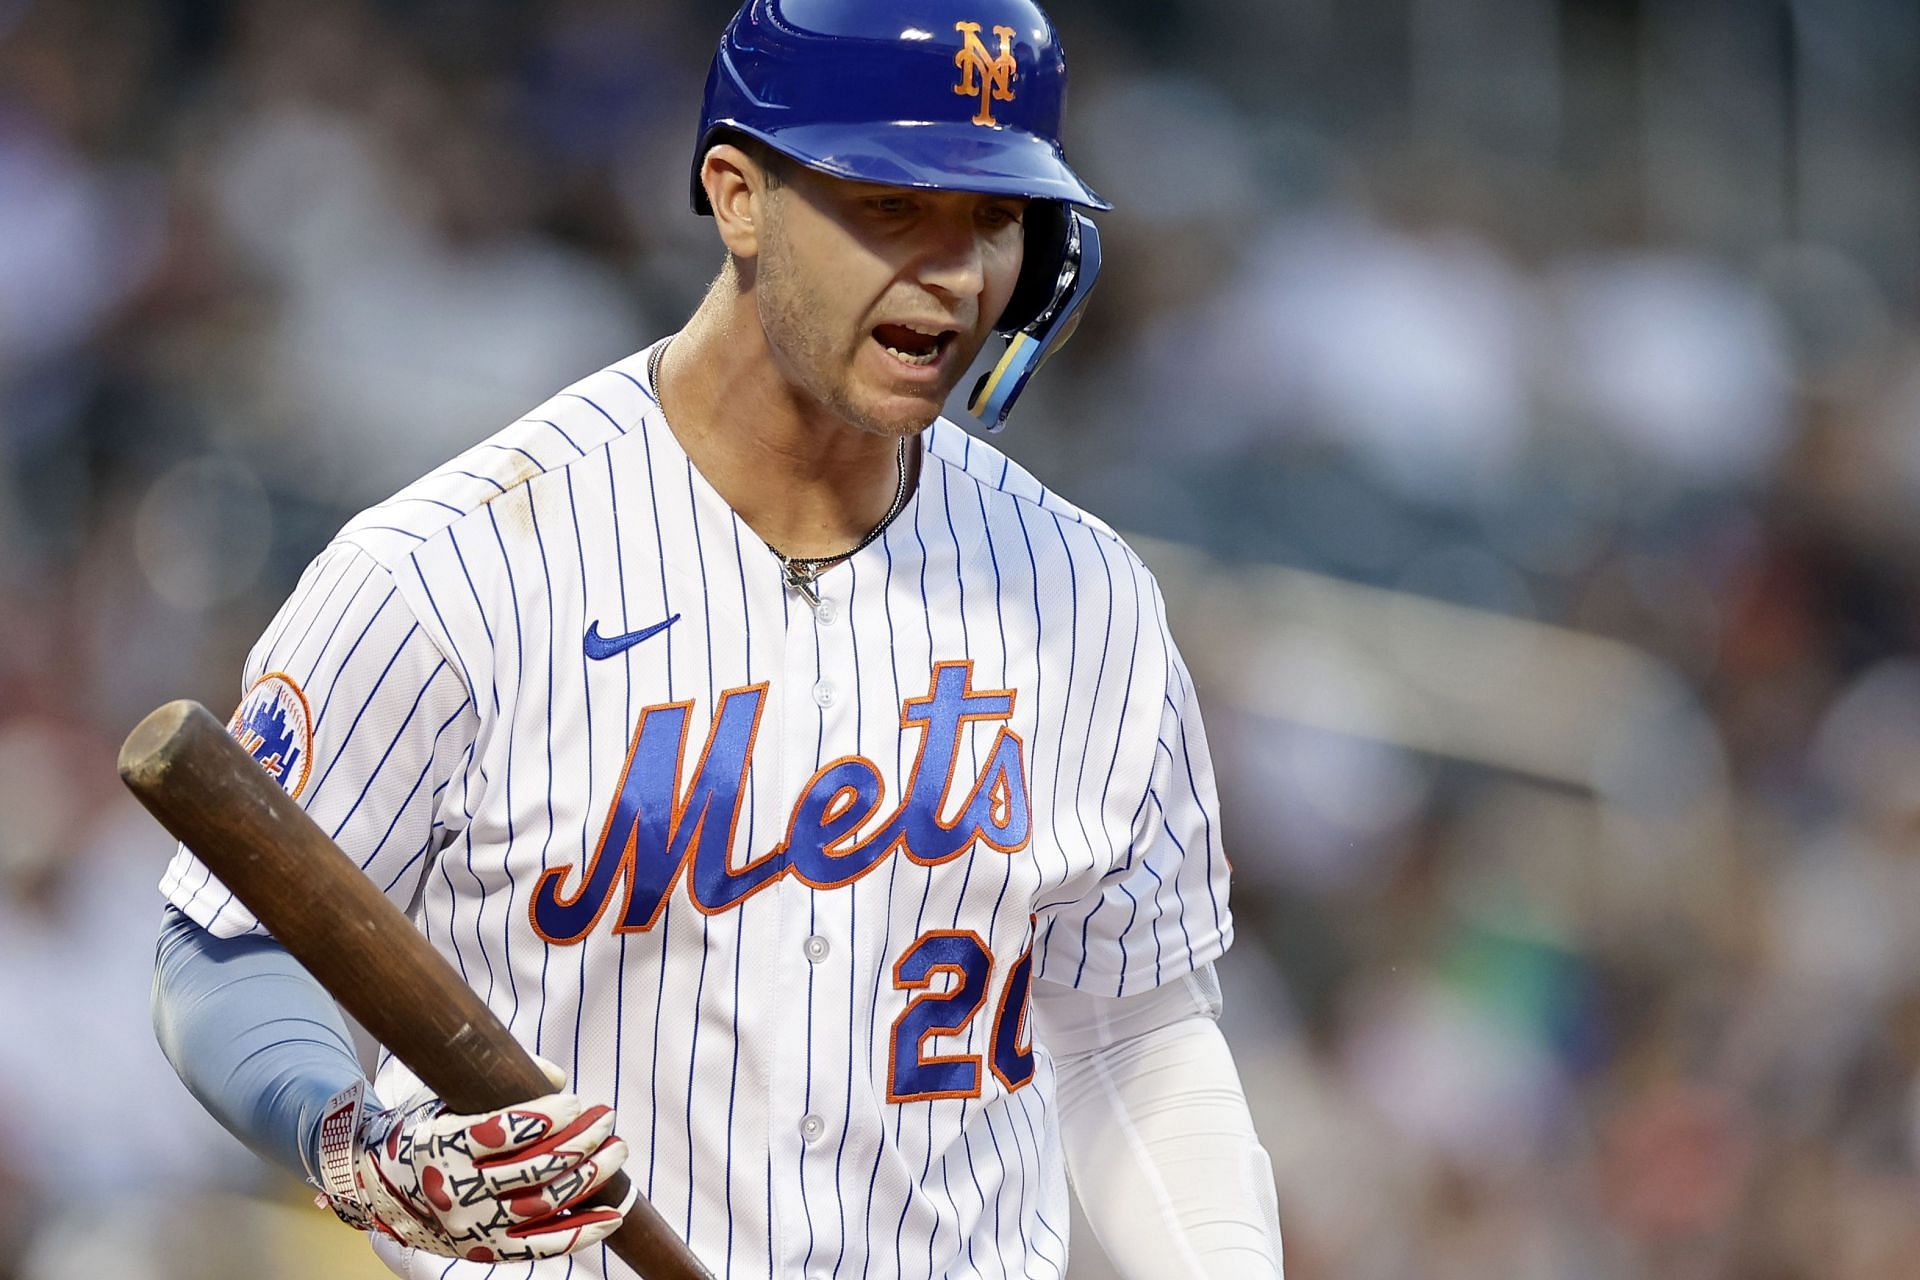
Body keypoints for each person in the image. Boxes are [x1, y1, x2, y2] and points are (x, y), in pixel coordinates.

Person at [151, 1, 1286, 1276]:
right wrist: (349, 1136)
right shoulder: (451, 569)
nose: (958, 273)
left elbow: (1132, 1030)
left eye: (995, 218)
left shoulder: (1091, 599)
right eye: (892, 206)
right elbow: (228, 948)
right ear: (738, 197)